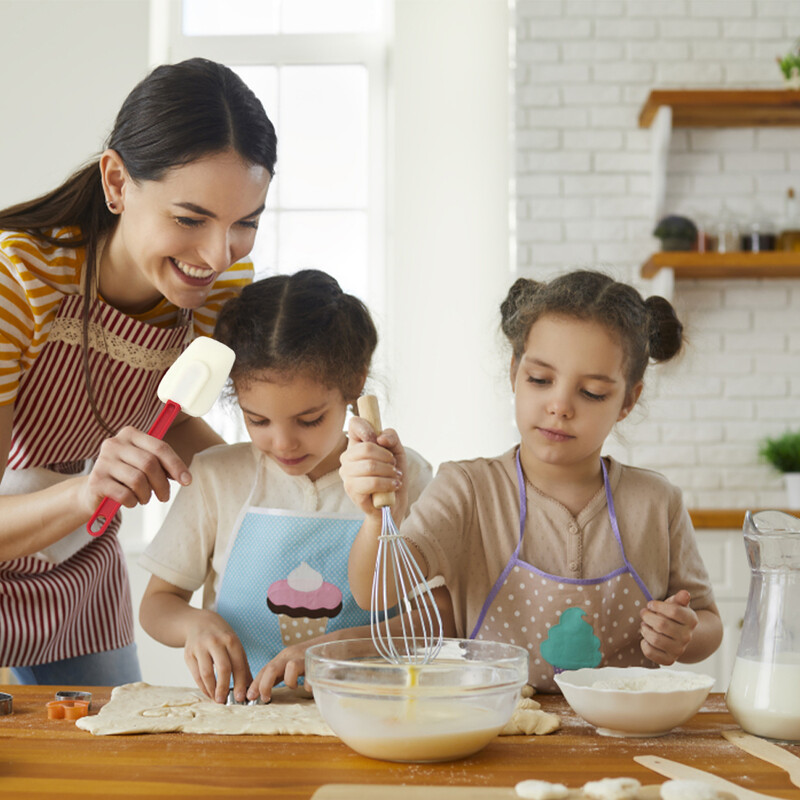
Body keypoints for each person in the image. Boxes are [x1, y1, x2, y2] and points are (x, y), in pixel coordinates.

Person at [0, 57, 277, 686]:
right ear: (118, 181)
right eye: (189, 218)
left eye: (245, 224)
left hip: (78, 569)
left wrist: (282, 486)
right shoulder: (17, 283)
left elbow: (172, 418)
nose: (215, 255)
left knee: (101, 755)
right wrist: (84, 491)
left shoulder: (221, 285)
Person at [342, 270, 723, 692]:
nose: (559, 405)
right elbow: (375, 594)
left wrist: (683, 634)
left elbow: (708, 621)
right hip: (498, 731)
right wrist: (380, 519)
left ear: (627, 401)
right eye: (540, 380)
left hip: (626, 738)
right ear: (514, 373)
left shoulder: (656, 502)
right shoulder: (468, 490)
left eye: (592, 392)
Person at [138, 270, 436, 704]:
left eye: (309, 419)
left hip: (375, 713)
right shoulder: (217, 477)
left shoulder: (406, 479)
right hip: (244, 717)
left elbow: (434, 620)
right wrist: (194, 625)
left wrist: (338, 649)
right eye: (257, 420)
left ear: (356, 381)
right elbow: (157, 605)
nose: (282, 443)